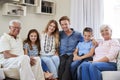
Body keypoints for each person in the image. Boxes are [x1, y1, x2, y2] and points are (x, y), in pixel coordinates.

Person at [58, 16, 84, 80]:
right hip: (62, 54)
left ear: (69, 23)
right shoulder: (60, 33)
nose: (64, 26)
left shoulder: (78, 34)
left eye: (66, 24)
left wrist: (93, 39)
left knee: (68, 65)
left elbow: (86, 40)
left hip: (72, 54)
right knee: (61, 65)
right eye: (62, 25)